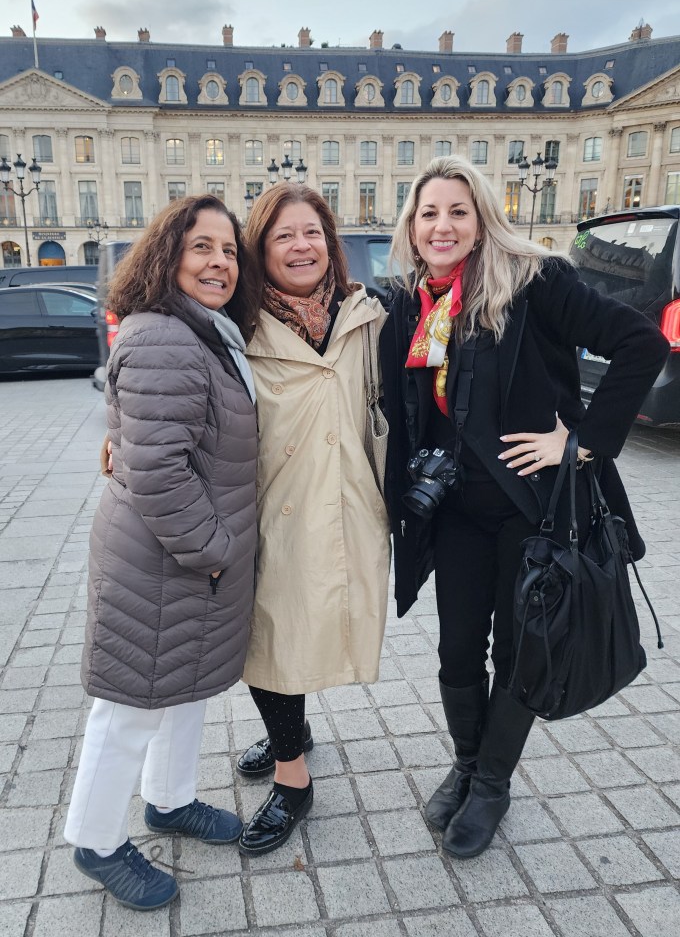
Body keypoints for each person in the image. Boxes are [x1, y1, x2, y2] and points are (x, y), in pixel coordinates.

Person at [379, 155, 669, 859]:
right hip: (455, 511)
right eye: (429, 214)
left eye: (457, 211)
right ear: (412, 228)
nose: (442, 225)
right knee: (454, 649)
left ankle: (492, 785)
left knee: (518, 649)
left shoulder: (536, 282)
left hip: (529, 509)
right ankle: (469, 760)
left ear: (481, 218)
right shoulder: (412, 300)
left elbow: (642, 344)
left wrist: (583, 442)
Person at [63, 195, 260, 909]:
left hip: (190, 559)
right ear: (167, 253)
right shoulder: (165, 339)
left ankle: (170, 799)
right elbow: (155, 472)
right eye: (201, 246)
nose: (219, 262)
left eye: (230, 250)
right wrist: (213, 548)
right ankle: (94, 840)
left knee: (183, 688)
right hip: (164, 557)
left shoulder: (205, 332)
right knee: (132, 703)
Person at [235, 182, 391, 855]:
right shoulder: (236, 327)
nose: (301, 246)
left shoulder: (370, 316)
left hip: (350, 504)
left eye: (312, 232)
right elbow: (174, 382)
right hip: (269, 508)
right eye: (282, 235)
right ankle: (292, 777)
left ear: (331, 242)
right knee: (267, 642)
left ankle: (289, 737)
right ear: (259, 249)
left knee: (306, 631)